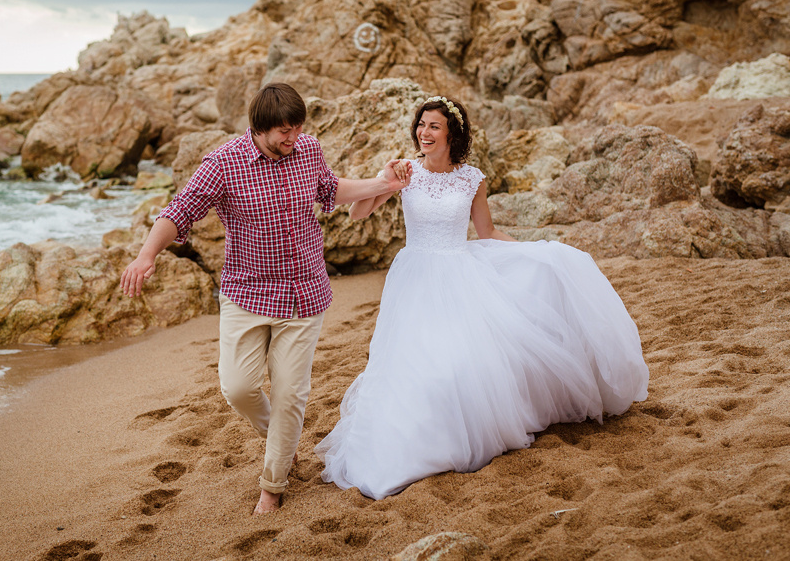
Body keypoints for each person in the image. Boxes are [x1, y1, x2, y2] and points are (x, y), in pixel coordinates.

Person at [314, 95, 650, 500]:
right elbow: (357, 215)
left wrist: (535, 252)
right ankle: (406, 438)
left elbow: (486, 232)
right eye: (421, 124)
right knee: (411, 361)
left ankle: (454, 432)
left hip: (460, 275)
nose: (424, 132)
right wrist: (387, 179)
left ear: (452, 133)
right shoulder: (407, 171)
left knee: (460, 362)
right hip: (415, 277)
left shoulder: (472, 178)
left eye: (434, 126)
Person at [120, 82, 412, 514]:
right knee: (236, 387)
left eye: (296, 129)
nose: (291, 138)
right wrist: (146, 255)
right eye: (282, 132)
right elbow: (179, 209)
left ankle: (272, 486)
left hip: (304, 292)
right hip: (247, 292)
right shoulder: (224, 163)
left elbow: (330, 191)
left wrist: (379, 182)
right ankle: (280, 435)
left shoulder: (308, 150)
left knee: (291, 393)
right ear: (258, 128)